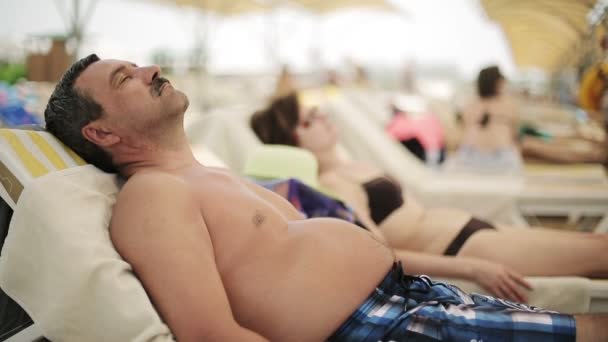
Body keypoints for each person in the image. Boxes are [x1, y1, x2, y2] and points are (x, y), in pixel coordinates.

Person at [43, 54, 605, 342]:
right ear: (103, 134)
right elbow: (210, 335)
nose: (151, 69)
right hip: (379, 326)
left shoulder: (209, 177)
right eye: (126, 79)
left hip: (410, 300)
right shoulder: (152, 198)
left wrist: (463, 267)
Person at [250, 91, 608, 302]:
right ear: (292, 137)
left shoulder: (351, 166)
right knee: (599, 253)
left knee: (596, 244)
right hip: (465, 250)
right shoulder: (333, 185)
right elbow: (379, 254)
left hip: (475, 232)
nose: (324, 117)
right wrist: (471, 269)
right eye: (311, 118)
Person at [447, 65, 522, 173]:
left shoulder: (469, 105)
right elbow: (514, 136)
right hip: (501, 157)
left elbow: (460, 134)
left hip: (469, 156)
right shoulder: (508, 105)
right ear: (498, 84)